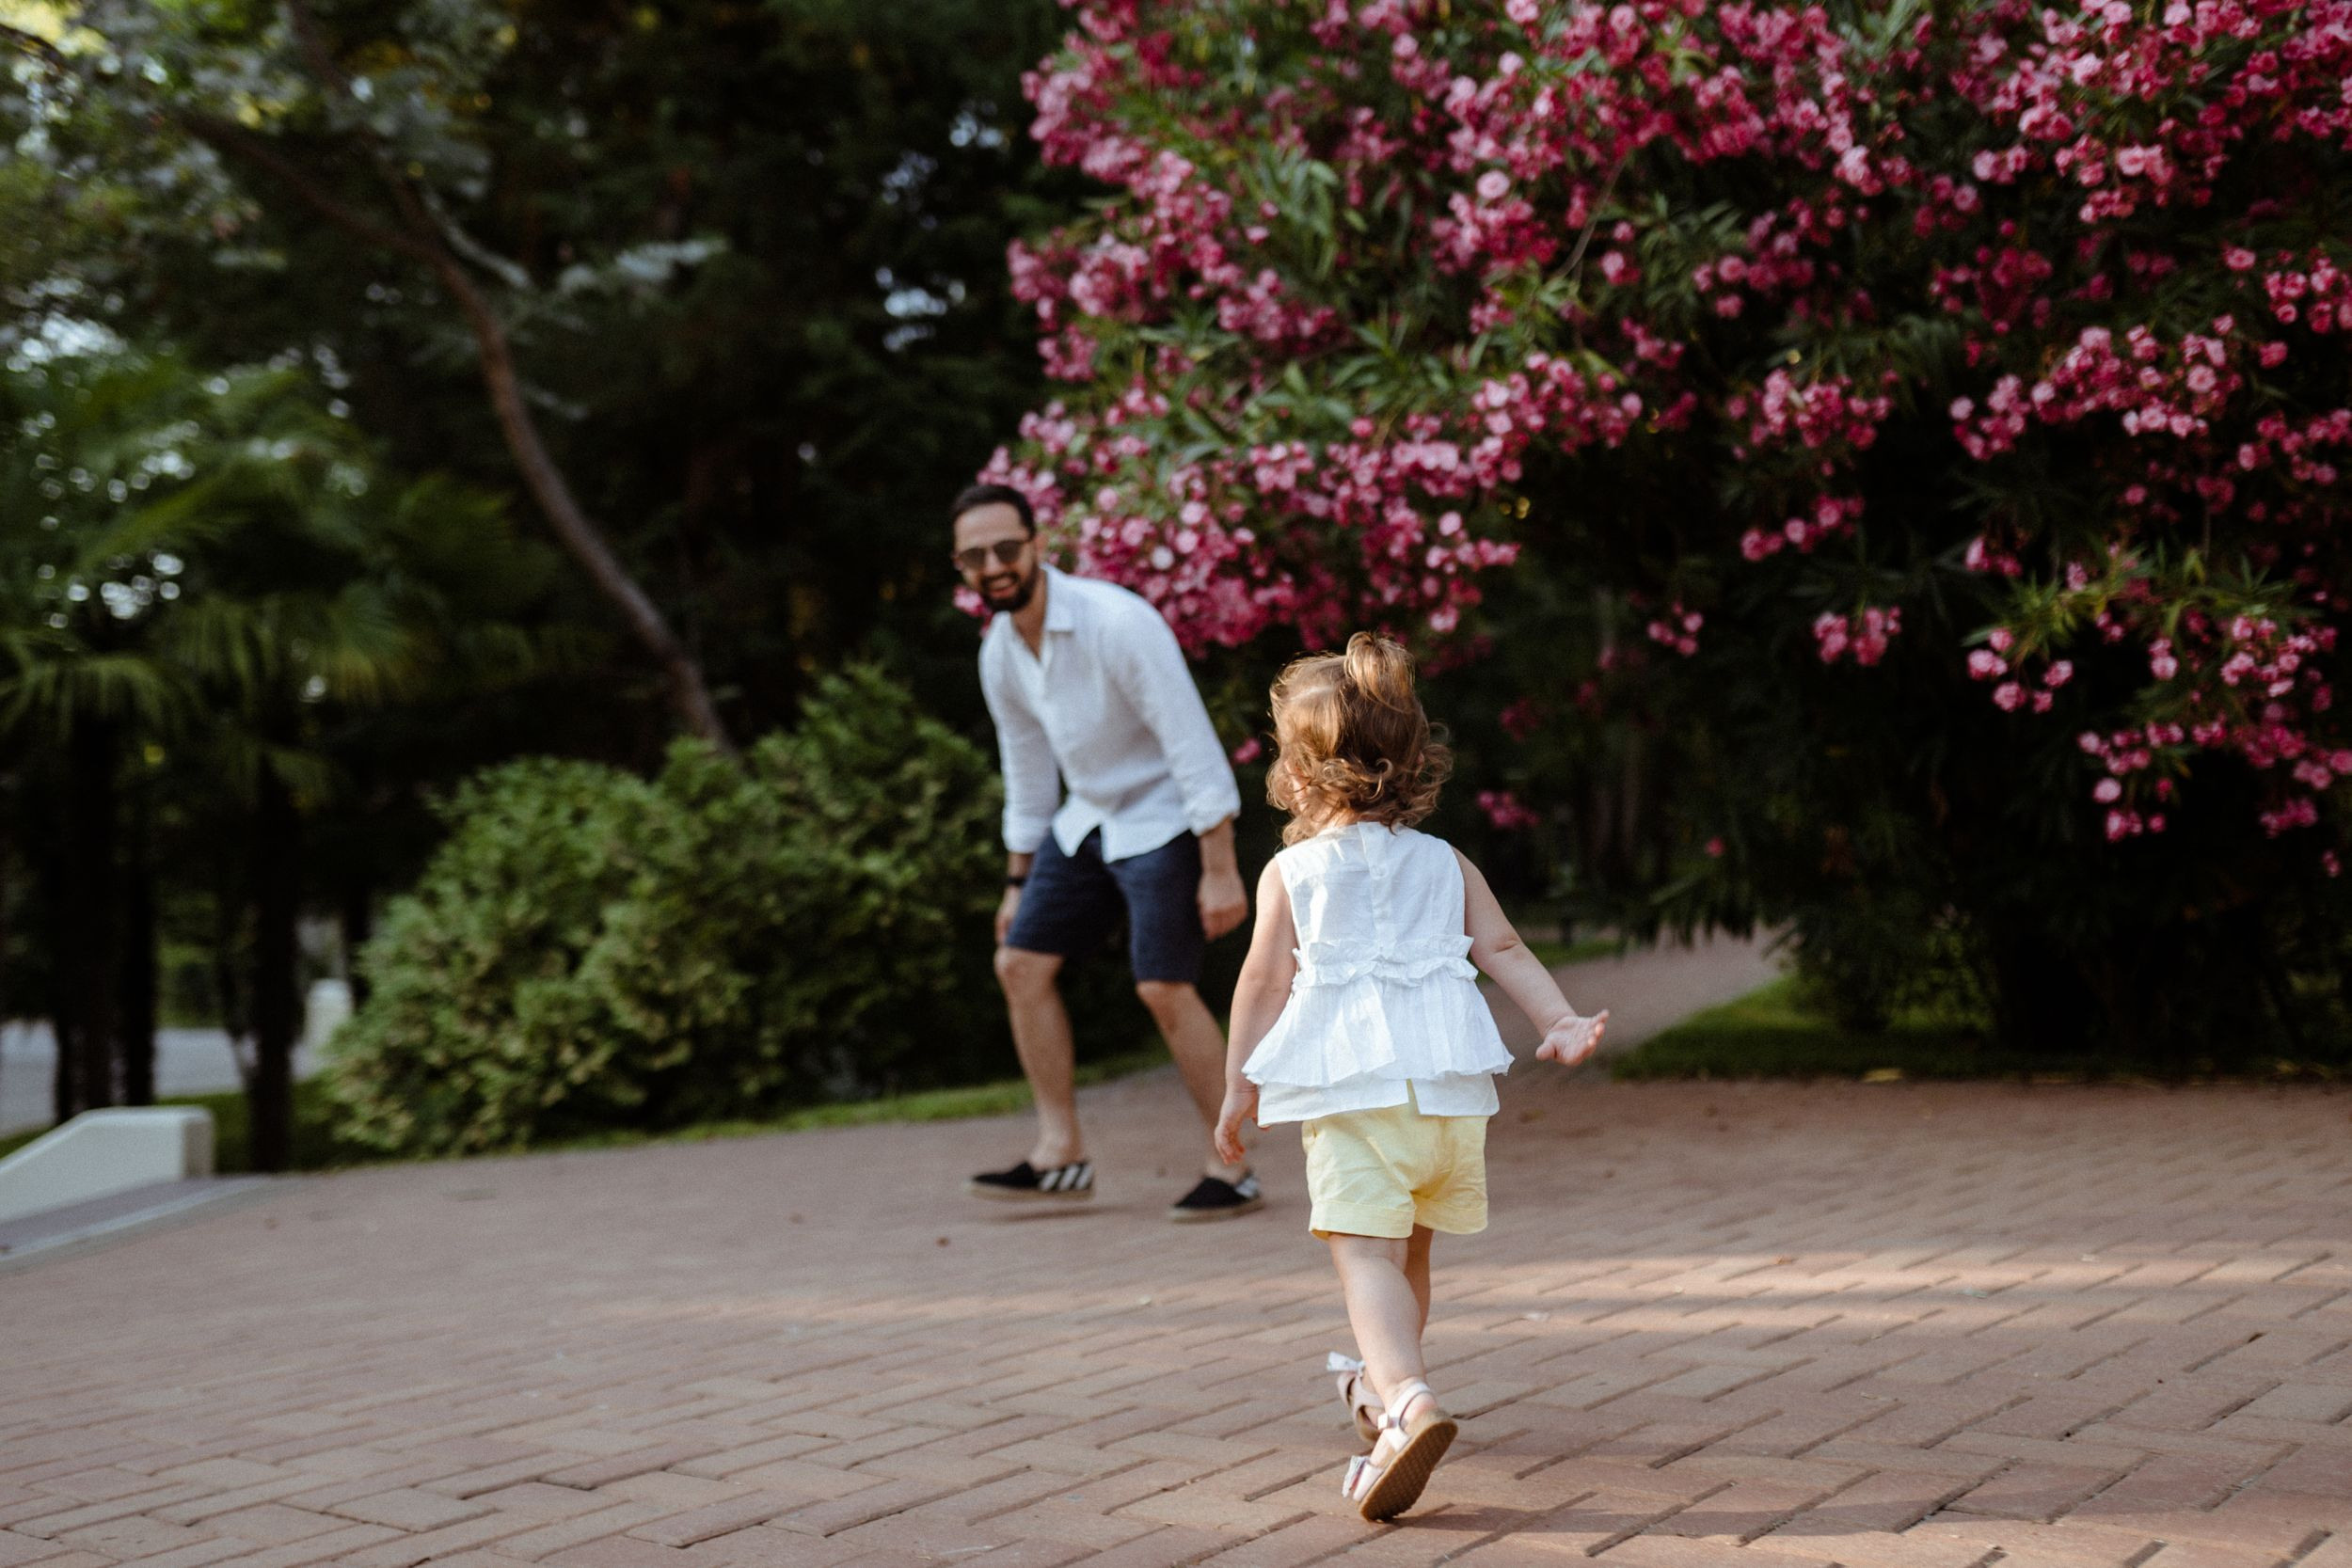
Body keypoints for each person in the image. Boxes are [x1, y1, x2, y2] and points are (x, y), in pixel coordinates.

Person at [1213, 633, 1609, 1521]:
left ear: (1302, 776)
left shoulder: (1294, 872)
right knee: (1410, 1251)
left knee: (1363, 1260)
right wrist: (1560, 1022)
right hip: (1447, 1104)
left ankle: (1406, 1403)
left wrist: (1239, 1085)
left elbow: (1262, 982)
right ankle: (1382, 1385)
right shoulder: (1445, 860)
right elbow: (1502, 945)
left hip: (1359, 1098)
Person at [952, 482, 1265, 1222]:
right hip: (1085, 819)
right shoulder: (1000, 651)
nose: (993, 565)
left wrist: (1219, 865)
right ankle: (1061, 1153)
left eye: (1005, 547)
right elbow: (1028, 775)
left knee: (1163, 985)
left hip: (1162, 815)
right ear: (960, 568)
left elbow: (1191, 743)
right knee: (1018, 964)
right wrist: (1014, 883)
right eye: (974, 556)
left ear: (1036, 544)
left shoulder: (1117, 621)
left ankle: (1236, 1164)